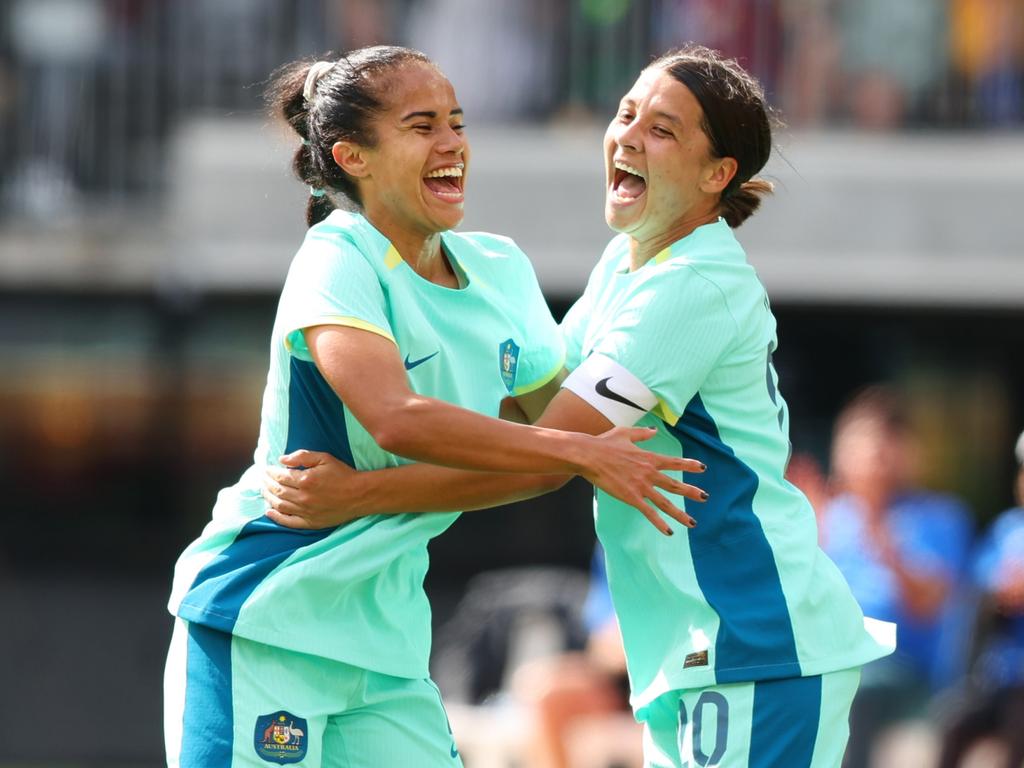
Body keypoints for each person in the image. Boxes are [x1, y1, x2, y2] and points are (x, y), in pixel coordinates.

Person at [266, 44, 896, 767]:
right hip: (699, 649)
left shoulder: (693, 286)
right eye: (626, 114)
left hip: (758, 645)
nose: (628, 135)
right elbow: (533, 434)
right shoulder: (626, 262)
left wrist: (359, 495)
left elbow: (542, 458)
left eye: (662, 130)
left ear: (717, 174)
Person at [163, 45, 707, 768]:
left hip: (384, 643)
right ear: (352, 156)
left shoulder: (502, 270)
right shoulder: (339, 256)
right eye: (422, 126)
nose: (452, 143)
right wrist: (578, 450)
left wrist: (362, 495)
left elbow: (535, 463)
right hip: (264, 617)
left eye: (456, 122)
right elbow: (398, 416)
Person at [819, 386, 974, 768]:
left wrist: (890, 552)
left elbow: (930, 605)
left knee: (857, 690)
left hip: (903, 675)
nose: (876, 454)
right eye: (864, 439)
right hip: (829, 666)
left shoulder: (938, 516)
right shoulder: (823, 516)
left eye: (888, 440)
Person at [938, 430, 1024, 768]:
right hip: (1000, 677)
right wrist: (1001, 593)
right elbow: (977, 591)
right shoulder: (1007, 530)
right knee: (953, 722)